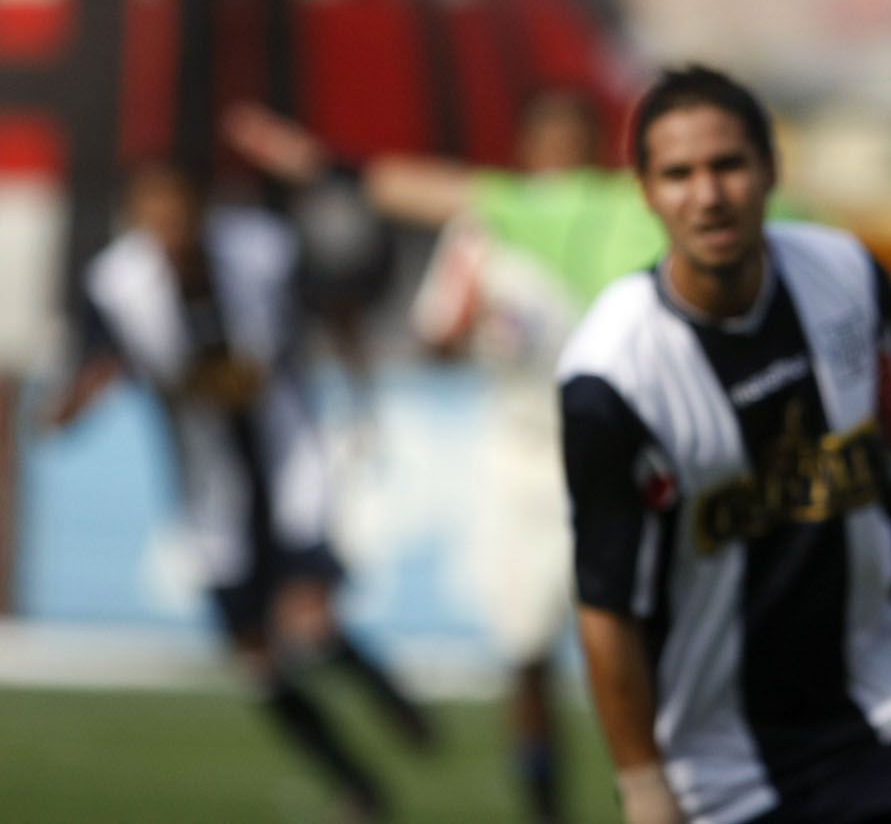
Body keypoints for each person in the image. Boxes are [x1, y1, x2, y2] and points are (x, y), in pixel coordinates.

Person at [558, 65, 891, 824]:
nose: (708, 193)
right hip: (728, 764)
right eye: (679, 173)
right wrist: (642, 783)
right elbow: (605, 605)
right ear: (646, 190)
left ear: (769, 168)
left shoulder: (845, 275)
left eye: (727, 164)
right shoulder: (612, 374)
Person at [228, 88, 667, 823]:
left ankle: (663, 795)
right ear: (526, 150)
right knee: (524, 651)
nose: (558, 157)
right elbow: (437, 330)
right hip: (522, 460)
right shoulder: (491, 223)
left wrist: (317, 162)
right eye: (546, 141)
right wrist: (465, 331)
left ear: (596, 148)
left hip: (621, 460)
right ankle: (547, 809)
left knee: (638, 651)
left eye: (573, 140)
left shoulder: (620, 215)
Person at [44, 160, 433, 822]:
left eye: (179, 211)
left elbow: (325, 308)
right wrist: (76, 398)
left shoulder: (260, 248)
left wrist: (359, 384)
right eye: (153, 214)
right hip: (209, 484)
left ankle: (384, 689)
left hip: (289, 455)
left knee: (309, 618)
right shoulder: (119, 283)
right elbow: (94, 363)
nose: (169, 229)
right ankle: (357, 784)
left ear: (203, 210)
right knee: (256, 657)